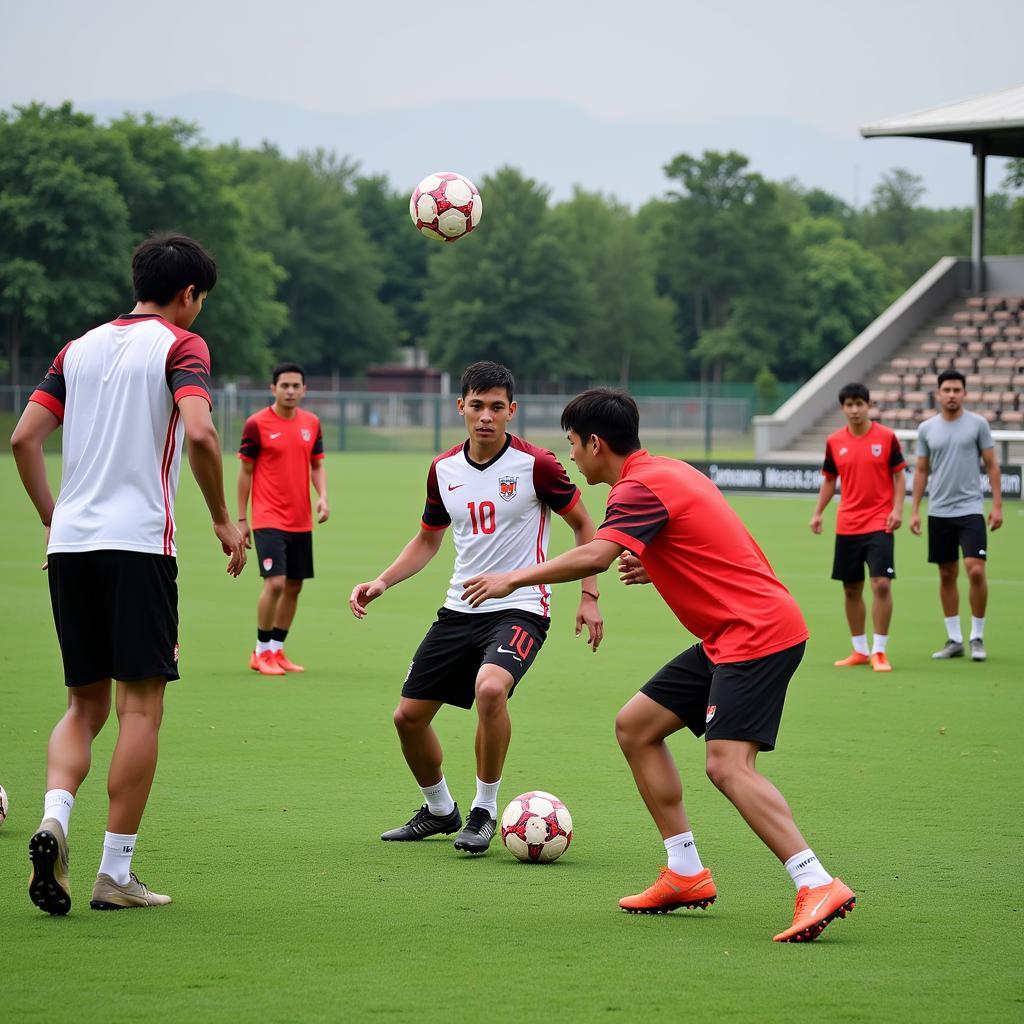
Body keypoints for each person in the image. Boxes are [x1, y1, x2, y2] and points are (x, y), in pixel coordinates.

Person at [462, 389, 855, 942]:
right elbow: (704, 536)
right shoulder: (666, 471)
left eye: (574, 444)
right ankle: (685, 871)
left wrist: (513, 577)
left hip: (755, 634)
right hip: (730, 633)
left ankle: (814, 881)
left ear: (596, 443)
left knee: (727, 766)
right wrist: (660, 561)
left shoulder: (638, 486)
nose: (572, 456)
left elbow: (597, 552)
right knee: (636, 726)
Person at [10, 234, 246, 915]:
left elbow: (25, 438)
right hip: (139, 547)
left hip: (73, 548)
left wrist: (55, 518)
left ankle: (55, 816)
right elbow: (200, 433)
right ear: (188, 295)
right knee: (139, 707)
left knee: (81, 706)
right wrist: (225, 520)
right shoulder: (180, 345)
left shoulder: (76, 348)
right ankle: (114, 873)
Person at [349, 361, 604, 855]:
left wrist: (589, 596)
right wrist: (382, 581)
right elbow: (428, 540)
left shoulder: (537, 465)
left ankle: (485, 809)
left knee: (490, 689)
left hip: (522, 606)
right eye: (476, 405)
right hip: (459, 609)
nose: (485, 416)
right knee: (408, 718)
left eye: (496, 407)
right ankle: (441, 810)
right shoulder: (443, 469)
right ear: (460, 407)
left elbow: (586, 527)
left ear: (512, 410)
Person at [238, 362, 328, 675]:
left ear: (304, 389)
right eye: (284, 385)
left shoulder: (311, 423)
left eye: (295, 386)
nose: (290, 391)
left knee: (293, 586)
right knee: (274, 583)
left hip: (301, 519)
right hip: (267, 517)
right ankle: (260, 651)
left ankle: (277, 649)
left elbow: (316, 465)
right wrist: (241, 519)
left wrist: (323, 497)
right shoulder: (256, 424)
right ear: (273, 388)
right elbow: (245, 473)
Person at [810, 383, 906, 672]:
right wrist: (818, 513)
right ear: (842, 408)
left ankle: (879, 650)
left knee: (881, 583)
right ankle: (859, 650)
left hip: (879, 521)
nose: (854, 410)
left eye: (859, 404)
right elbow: (829, 479)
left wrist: (898, 509)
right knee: (851, 588)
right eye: (849, 405)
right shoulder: (834, 441)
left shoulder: (887, 438)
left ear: (869, 406)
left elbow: (900, 476)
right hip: (848, 524)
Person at [910, 369, 1003, 661]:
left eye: (956, 390)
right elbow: (922, 470)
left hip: (971, 509)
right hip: (939, 511)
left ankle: (977, 636)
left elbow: (991, 466)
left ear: (964, 393)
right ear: (938, 394)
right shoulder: (926, 428)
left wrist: (997, 505)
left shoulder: (978, 425)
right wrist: (914, 510)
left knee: (975, 569)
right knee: (947, 573)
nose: (951, 395)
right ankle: (955, 639)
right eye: (946, 390)